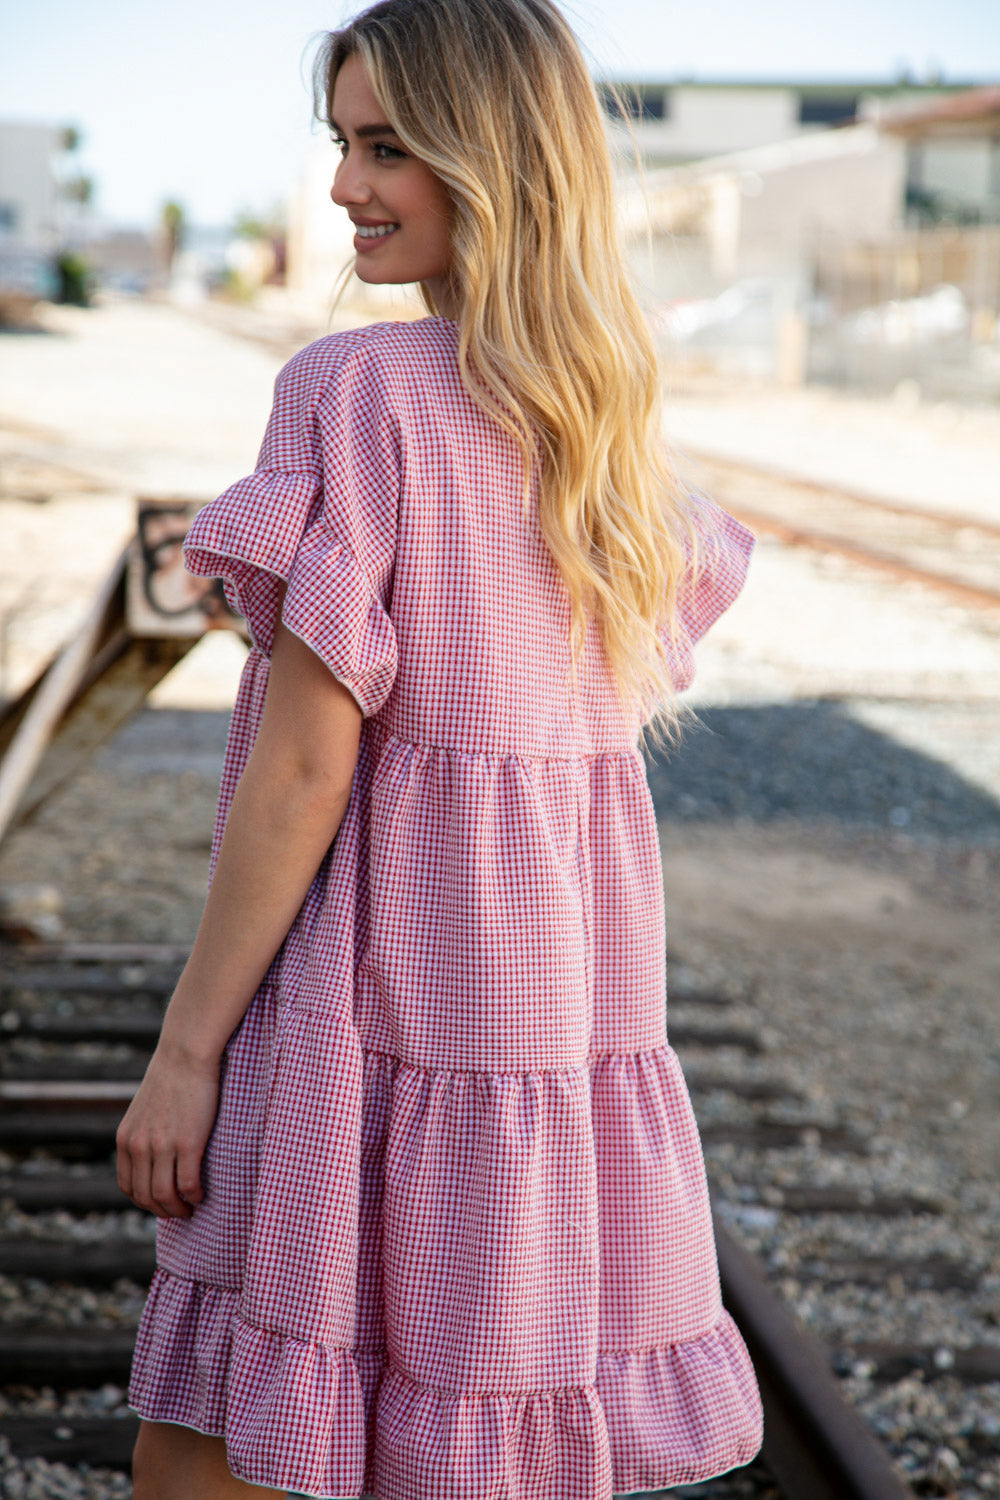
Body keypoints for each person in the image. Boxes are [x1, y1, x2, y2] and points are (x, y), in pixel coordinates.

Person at [116, 1, 764, 1496]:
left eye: (388, 145)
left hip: (363, 1000)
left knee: (212, 1448)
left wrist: (187, 1047)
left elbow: (301, 772)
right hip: (536, 1016)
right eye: (342, 142)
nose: (347, 184)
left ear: (498, 160)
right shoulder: (612, 425)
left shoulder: (353, 395)